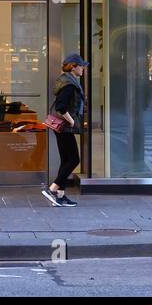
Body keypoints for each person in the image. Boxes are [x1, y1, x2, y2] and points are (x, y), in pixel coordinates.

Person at [43, 53, 87, 208]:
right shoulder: (69, 84)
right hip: (65, 127)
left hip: (61, 127)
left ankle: (60, 195)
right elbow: (61, 107)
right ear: (73, 66)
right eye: (81, 66)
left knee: (66, 160)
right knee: (74, 159)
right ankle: (53, 189)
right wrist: (72, 121)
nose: (83, 69)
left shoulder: (67, 80)